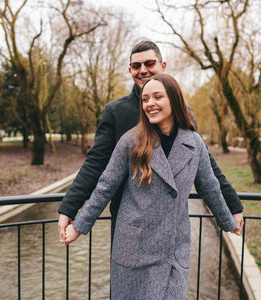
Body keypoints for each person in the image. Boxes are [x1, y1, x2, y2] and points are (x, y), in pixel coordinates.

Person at [63, 73, 238, 299]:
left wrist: (228, 220)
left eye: (157, 97)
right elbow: (105, 186)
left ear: (174, 100)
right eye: (145, 99)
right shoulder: (130, 141)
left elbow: (210, 187)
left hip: (173, 251)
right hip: (134, 249)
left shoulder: (194, 143)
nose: (150, 104)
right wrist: (79, 226)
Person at [58, 40, 244, 243]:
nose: (143, 70)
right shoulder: (115, 112)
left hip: (171, 227)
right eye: (136, 66)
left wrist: (232, 205)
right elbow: (96, 164)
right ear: (130, 70)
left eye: (149, 63)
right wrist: (69, 207)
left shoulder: (183, 112)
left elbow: (204, 163)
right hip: (128, 226)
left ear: (163, 66)